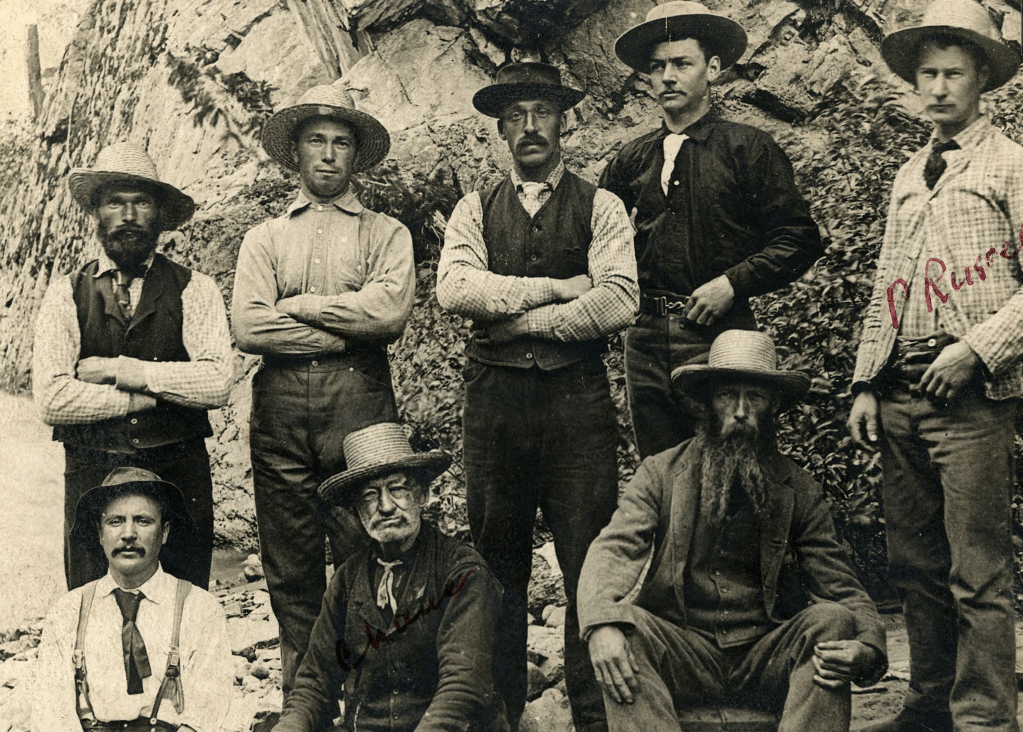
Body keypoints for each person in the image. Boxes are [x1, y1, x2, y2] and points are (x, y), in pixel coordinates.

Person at [436, 62, 639, 731]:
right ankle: (499, 711)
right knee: (496, 558)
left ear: (563, 122)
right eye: (516, 115)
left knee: (590, 552)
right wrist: (556, 291)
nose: (529, 127)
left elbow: (617, 298)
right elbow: (456, 290)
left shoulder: (600, 205)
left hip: (575, 404)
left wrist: (519, 320)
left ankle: (592, 713)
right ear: (500, 128)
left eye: (542, 113)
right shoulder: (474, 207)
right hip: (493, 403)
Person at [847, 2, 1023, 730]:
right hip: (897, 393)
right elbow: (888, 280)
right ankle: (926, 706)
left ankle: (983, 717)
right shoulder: (906, 175)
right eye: (927, 75)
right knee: (914, 565)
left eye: (954, 73)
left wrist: (975, 349)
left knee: (975, 571)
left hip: (970, 397)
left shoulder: (1009, 163)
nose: (940, 88)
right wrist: (863, 381)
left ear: (982, 77)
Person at [579, 329, 887, 732]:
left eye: (754, 398)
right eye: (728, 396)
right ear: (708, 401)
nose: (740, 411)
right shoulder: (660, 474)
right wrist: (600, 622)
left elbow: (840, 586)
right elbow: (615, 550)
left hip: (765, 656)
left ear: (772, 406)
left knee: (830, 621)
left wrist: (867, 649)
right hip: (684, 653)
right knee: (624, 629)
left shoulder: (799, 488)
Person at [231, 81, 416, 700]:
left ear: (356, 156)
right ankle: (304, 702)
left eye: (342, 143)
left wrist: (304, 306)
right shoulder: (265, 238)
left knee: (368, 549)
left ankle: (373, 700)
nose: (330, 154)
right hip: (280, 413)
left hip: (359, 410)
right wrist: (344, 330)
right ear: (297, 154)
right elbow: (249, 324)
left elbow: (389, 315)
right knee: (290, 566)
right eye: (317, 141)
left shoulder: (386, 233)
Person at [599, 1, 824, 459]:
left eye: (682, 63)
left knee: (733, 466)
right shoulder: (631, 159)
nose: (668, 77)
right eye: (657, 66)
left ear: (714, 68)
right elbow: (598, 244)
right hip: (643, 339)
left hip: (722, 336)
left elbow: (798, 239)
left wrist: (731, 283)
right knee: (661, 472)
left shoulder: (748, 146)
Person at [33, 142, 233, 591]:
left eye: (141, 202)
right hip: (91, 475)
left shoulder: (195, 289)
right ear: (96, 213)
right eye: (115, 203)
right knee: (91, 604)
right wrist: (148, 395)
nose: (128, 215)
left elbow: (217, 382)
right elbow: (52, 398)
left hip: (178, 477)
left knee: (184, 603)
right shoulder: (65, 294)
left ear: (159, 213)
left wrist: (121, 369)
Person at [272, 423, 501, 732]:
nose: (385, 507)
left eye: (397, 489)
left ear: (422, 494)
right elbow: (314, 680)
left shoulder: (462, 570)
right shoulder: (347, 581)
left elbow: (463, 684)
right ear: (357, 509)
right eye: (369, 495)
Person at [33, 467, 232, 732]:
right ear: (100, 533)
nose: (128, 534)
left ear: (164, 532)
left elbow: (209, 714)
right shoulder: (67, 612)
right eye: (115, 521)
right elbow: (50, 717)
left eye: (143, 521)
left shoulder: (200, 609)